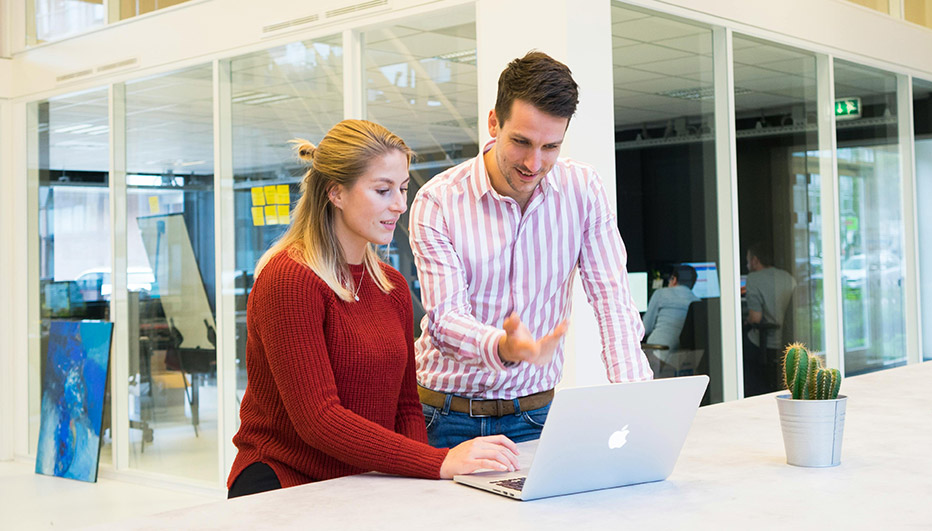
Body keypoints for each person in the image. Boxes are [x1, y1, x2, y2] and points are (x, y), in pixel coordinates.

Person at [228, 119, 519, 498]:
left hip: (363, 482)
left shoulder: (391, 286)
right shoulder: (290, 279)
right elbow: (318, 420)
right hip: (285, 484)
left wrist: (420, 482)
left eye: (403, 188)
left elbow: (406, 407)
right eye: (383, 190)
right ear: (336, 192)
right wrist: (436, 462)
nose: (400, 205)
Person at [409, 51, 652, 449]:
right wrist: (502, 347)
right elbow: (446, 320)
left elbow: (613, 301)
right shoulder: (439, 201)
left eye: (550, 146)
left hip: (535, 414)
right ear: (494, 123)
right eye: (521, 142)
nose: (533, 163)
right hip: (444, 416)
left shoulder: (582, 190)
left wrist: (636, 401)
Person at [742, 242, 796, 396]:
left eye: (747, 260)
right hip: (787, 340)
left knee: (737, 345)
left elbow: (755, 318)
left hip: (767, 342)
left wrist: (745, 321)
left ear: (755, 260)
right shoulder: (788, 277)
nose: (747, 264)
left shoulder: (753, 278)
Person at [642, 265, 700, 374]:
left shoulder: (661, 294)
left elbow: (645, 328)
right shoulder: (696, 301)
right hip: (682, 358)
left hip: (657, 353)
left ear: (674, 279)